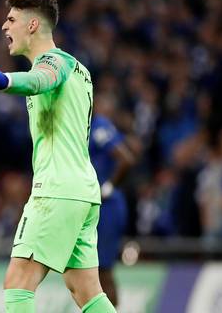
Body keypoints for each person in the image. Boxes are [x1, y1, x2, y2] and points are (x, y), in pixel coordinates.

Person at [0, 0, 116, 312]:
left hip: (56, 189)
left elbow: (37, 81)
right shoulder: (80, 70)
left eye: (12, 19)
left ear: (33, 24)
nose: (4, 26)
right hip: (83, 190)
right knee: (87, 291)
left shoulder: (54, 62)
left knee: (18, 281)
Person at [88, 93, 136, 307]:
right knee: (94, 271)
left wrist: (107, 187)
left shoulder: (99, 126)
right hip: (95, 204)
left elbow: (125, 159)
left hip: (107, 205)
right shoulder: (86, 127)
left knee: (103, 269)